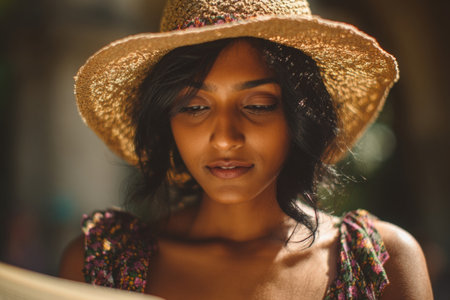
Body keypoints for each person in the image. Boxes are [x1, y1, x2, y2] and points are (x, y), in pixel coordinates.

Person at [59, 0, 433, 299]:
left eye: (257, 105)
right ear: (165, 121)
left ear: (300, 115)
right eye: (194, 107)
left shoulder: (381, 265)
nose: (225, 138)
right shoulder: (98, 268)